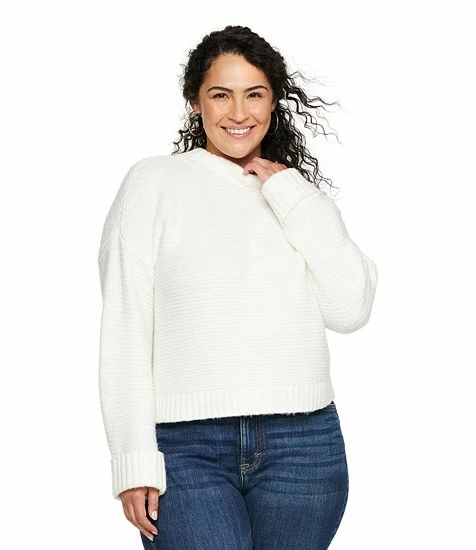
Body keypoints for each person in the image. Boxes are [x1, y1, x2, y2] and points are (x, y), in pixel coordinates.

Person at [97, 25, 378, 550]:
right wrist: (132, 459)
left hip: (303, 445)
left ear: (274, 101)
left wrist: (292, 194)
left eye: (254, 94)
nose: (239, 112)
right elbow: (125, 330)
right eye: (220, 95)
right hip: (186, 446)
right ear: (195, 101)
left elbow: (350, 309)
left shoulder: (294, 196)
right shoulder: (153, 183)